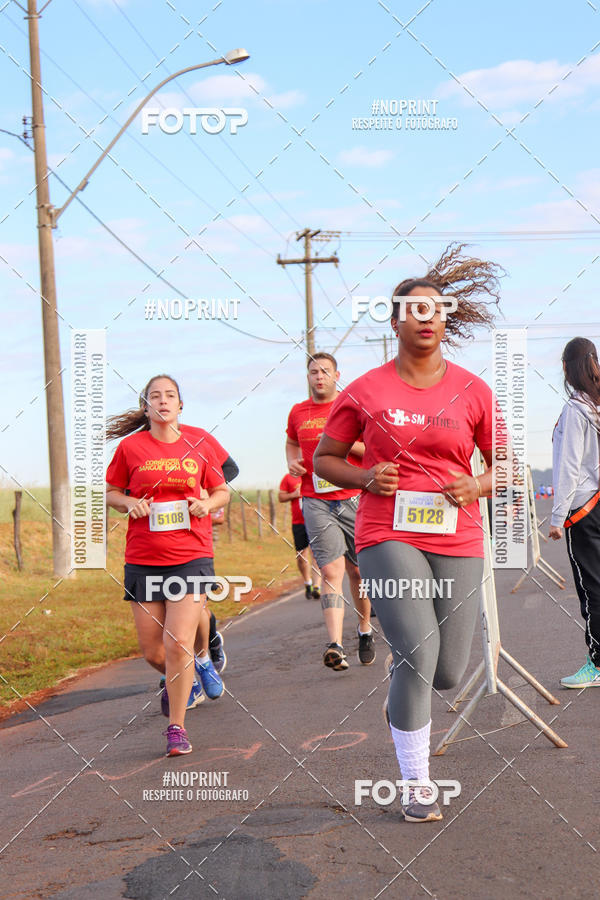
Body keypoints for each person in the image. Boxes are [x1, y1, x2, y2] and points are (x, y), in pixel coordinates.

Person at [314, 244, 503, 821]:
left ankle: (403, 701)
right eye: (414, 311)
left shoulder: (473, 390)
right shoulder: (366, 390)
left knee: (447, 671)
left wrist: (477, 486)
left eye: (436, 310)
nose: (427, 318)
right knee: (418, 653)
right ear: (395, 321)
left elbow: (503, 468)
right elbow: (326, 459)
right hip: (386, 531)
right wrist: (366, 475)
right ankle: (416, 783)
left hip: (458, 533)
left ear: (447, 320)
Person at [106, 374, 230, 757]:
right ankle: (196, 666)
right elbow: (112, 490)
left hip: (190, 556)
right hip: (143, 558)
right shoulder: (130, 448)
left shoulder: (200, 441)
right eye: (154, 396)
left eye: (170, 395)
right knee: (154, 654)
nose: (162, 401)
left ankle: (176, 727)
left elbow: (222, 489)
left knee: (176, 642)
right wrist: (129, 504)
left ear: (180, 405)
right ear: (146, 407)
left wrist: (207, 505)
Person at [286, 353, 375, 670]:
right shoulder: (298, 412)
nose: (319, 376)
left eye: (325, 371)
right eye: (313, 371)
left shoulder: (351, 407)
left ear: (337, 374)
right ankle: (335, 644)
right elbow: (291, 443)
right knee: (330, 571)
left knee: (358, 572)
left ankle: (365, 628)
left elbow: (372, 451)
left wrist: (344, 445)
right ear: (308, 377)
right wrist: (292, 461)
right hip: (315, 499)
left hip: (353, 496)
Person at [549, 337, 600, 688]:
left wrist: (556, 517)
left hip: (583, 509)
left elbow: (568, 467)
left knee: (591, 588)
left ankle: (596, 663)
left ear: (567, 368)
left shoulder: (576, 409)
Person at [278, 472, 322, 599]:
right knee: (301, 557)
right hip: (298, 523)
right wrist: (294, 494)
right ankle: (307, 582)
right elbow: (281, 497)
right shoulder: (289, 478)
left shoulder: (315, 475)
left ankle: (316, 586)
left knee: (316, 555)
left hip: (315, 521)